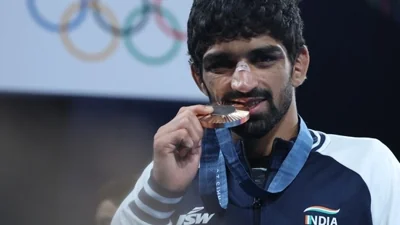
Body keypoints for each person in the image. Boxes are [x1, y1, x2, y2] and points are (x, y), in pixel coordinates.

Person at [111, 0, 400, 224]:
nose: (242, 83)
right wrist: (161, 192)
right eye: (221, 64)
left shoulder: (368, 168)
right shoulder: (172, 174)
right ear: (199, 78)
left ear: (298, 66)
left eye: (262, 59)